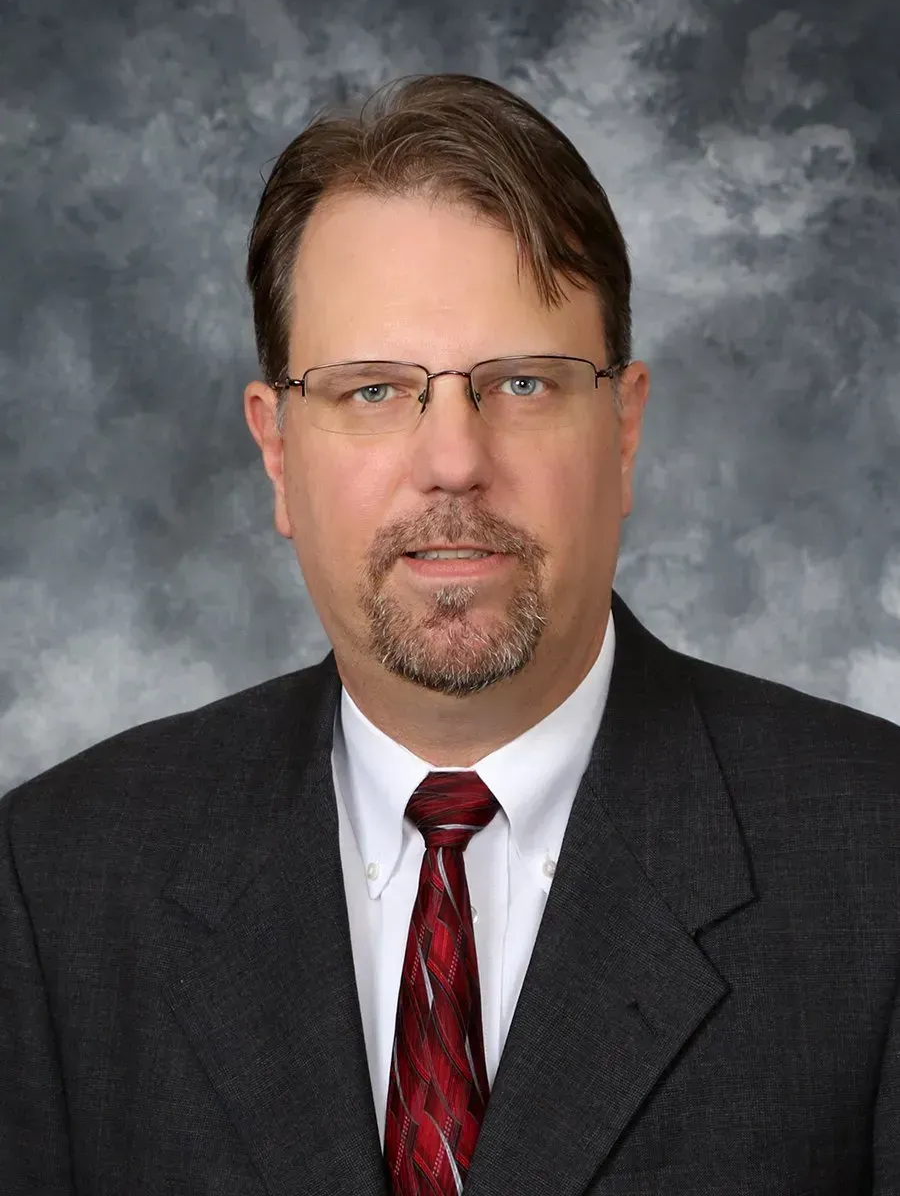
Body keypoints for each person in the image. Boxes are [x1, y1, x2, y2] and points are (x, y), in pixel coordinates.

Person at [1, 72, 899, 1196]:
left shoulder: (876, 864)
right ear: (276, 450)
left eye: (523, 381)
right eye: (374, 391)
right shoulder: (58, 884)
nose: (455, 460)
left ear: (623, 433)